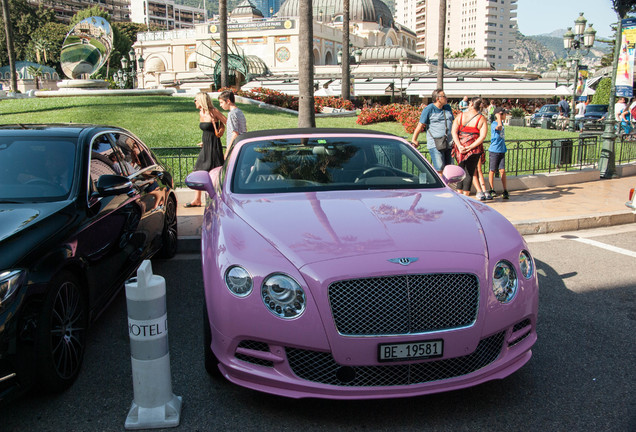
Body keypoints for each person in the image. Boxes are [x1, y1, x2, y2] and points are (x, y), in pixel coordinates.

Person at [185, 92, 227, 208]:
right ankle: (197, 200)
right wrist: (204, 141)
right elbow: (206, 131)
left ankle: (217, 198)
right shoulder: (201, 113)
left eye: (195, 100)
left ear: (201, 100)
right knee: (198, 171)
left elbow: (227, 122)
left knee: (215, 171)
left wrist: (221, 130)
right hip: (206, 145)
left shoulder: (213, 111)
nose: (194, 102)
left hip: (214, 146)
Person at [451, 97, 489, 200]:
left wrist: (459, 145)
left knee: (460, 170)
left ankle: (458, 196)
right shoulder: (481, 119)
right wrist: (471, 146)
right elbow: (482, 136)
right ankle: (465, 197)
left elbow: (454, 131)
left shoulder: (461, 116)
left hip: (460, 148)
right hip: (474, 149)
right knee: (469, 173)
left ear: (471, 104)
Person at [411, 88, 454, 173]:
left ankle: (447, 185)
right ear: (438, 98)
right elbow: (420, 125)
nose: (446, 98)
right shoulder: (429, 109)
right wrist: (414, 139)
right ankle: (442, 186)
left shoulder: (448, 107)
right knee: (439, 169)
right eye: (444, 96)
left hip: (449, 143)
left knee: (449, 170)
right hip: (435, 144)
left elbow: (453, 122)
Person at [488, 105, 509, 200]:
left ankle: (505, 190)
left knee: (502, 170)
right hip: (494, 150)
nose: (506, 115)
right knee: (492, 170)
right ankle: (491, 189)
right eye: (504, 114)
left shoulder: (502, 123)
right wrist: (499, 117)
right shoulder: (494, 124)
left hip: (501, 150)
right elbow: (499, 127)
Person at [218, 90, 247, 158]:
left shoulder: (232, 114)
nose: (220, 105)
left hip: (235, 148)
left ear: (228, 101)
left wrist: (227, 152)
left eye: (221, 102)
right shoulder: (239, 112)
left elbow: (235, 134)